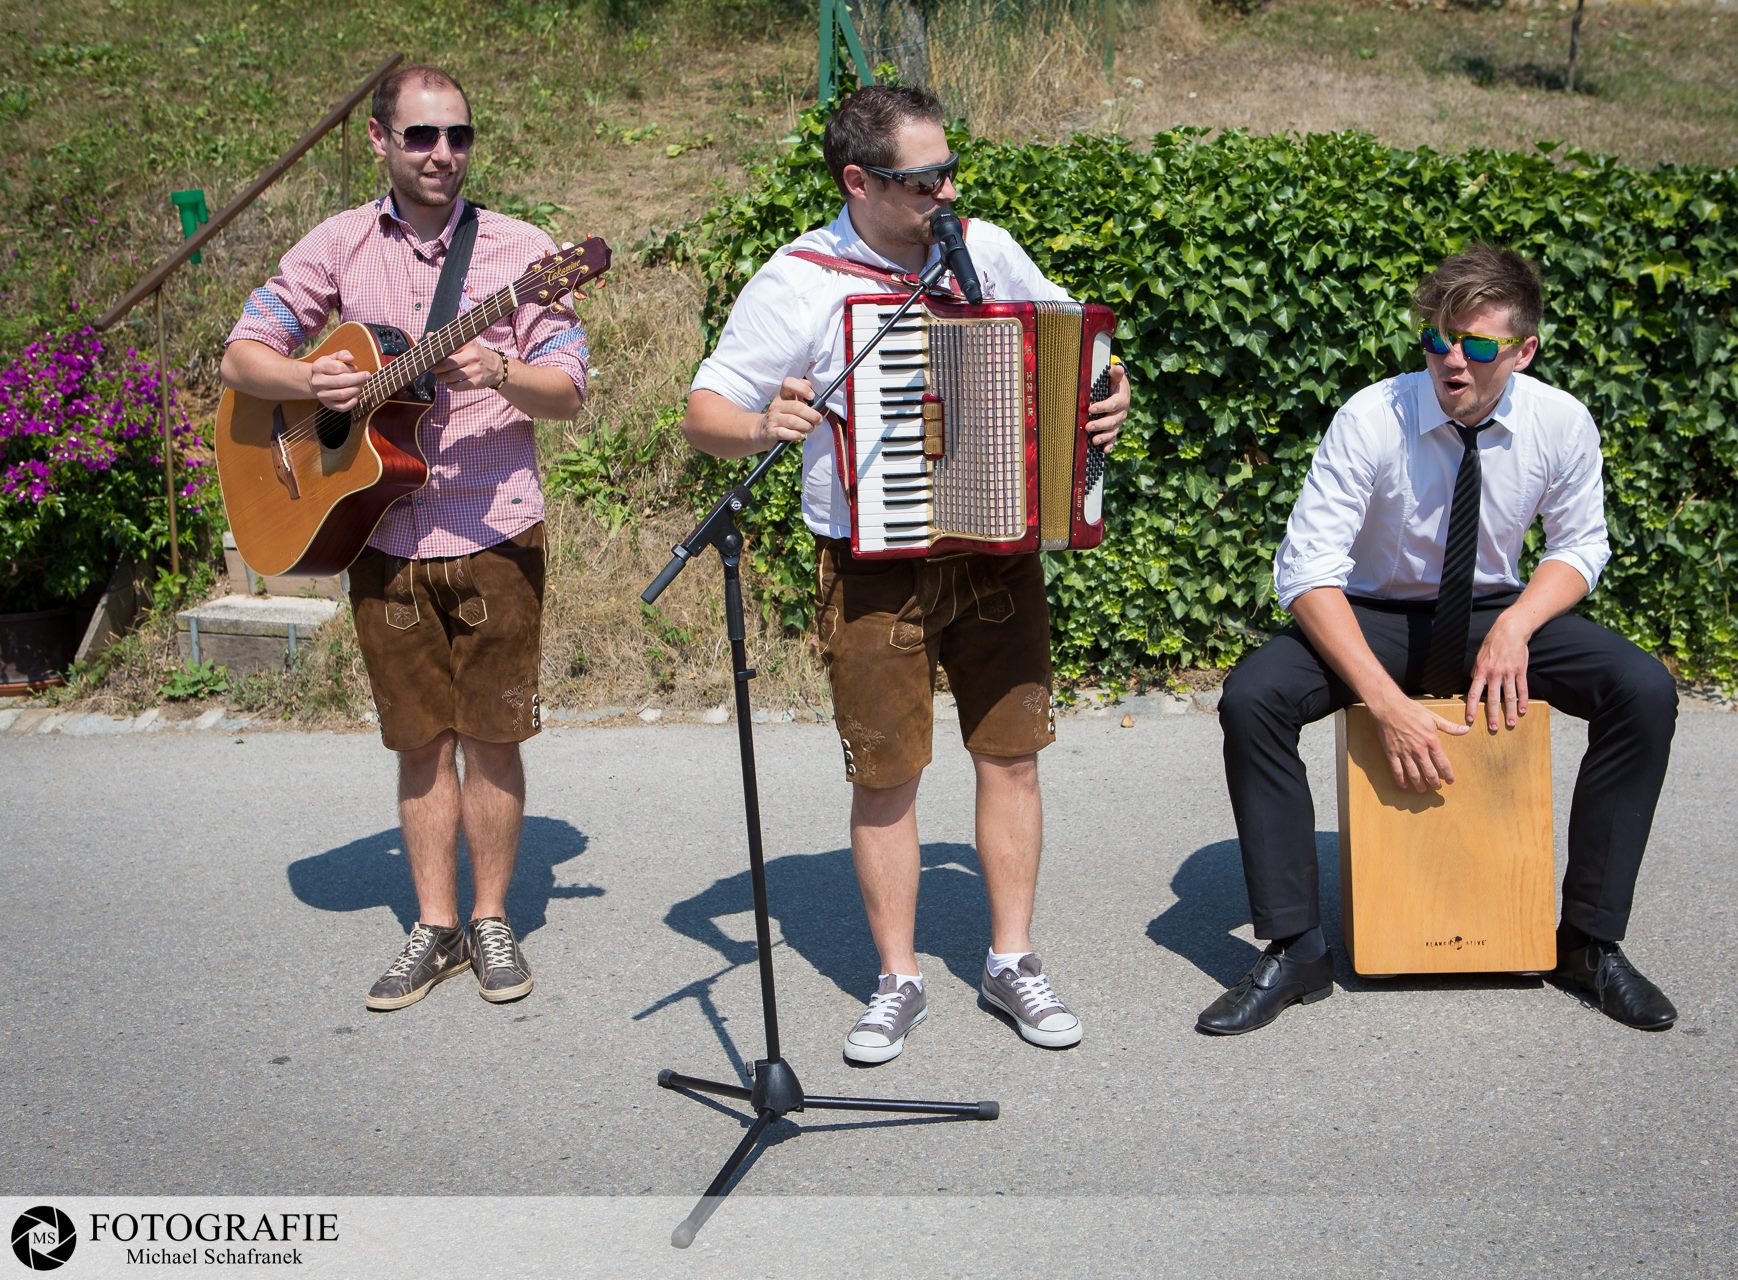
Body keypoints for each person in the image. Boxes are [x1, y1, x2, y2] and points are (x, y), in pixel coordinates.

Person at [681, 84, 1131, 1064]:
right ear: (859, 181)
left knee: (1011, 751)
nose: (946, 190)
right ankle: (899, 977)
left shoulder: (985, 246)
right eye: (923, 178)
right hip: (869, 557)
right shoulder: (798, 281)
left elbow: (1079, 348)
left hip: (995, 544)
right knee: (886, 769)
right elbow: (703, 410)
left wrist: (1111, 392)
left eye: (949, 170)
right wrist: (764, 424)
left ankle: (1011, 959)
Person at [1201, 244, 1679, 1036]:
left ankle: (1589, 944)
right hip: (1372, 615)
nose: (1453, 360)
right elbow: (1306, 570)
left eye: (1479, 345)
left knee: (1643, 689)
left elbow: (1579, 547)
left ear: (1524, 350)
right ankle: (1295, 948)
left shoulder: (1560, 420)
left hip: (1496, 612)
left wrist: (1521, 624)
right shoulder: (1371, 416)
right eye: (1438, 339)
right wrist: (1385, 704)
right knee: (1254, 699)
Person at [220, 63, 589, 1011]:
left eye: (459, 136)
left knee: (494, 737)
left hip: (495, 525)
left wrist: (499, 368)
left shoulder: (522, 252)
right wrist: (316, 388)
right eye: (422, 136)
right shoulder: (338, 243)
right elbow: (243, 353)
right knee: (420, 744)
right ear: (379, 140)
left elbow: (571, 393)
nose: (443, 154)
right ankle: (434, 927)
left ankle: (493, 920)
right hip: (380, 531)